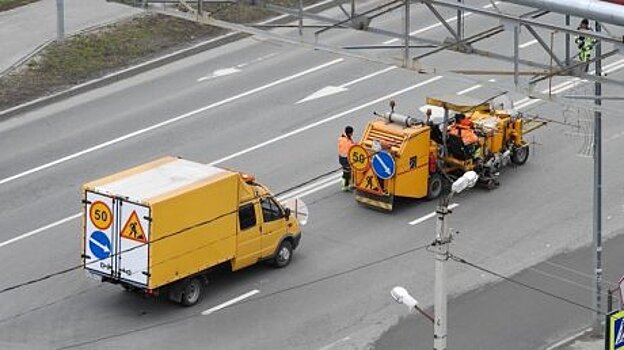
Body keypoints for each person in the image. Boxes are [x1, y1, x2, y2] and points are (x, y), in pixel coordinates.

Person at [338, 126, 355, 191]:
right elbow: (352, 147)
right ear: (350, 133)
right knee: (347, 173)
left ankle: (346, 185)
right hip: (346, 159)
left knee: (346, 172)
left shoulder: (341, 138)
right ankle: (346, 186)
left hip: (341, 158)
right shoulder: (347, 142)